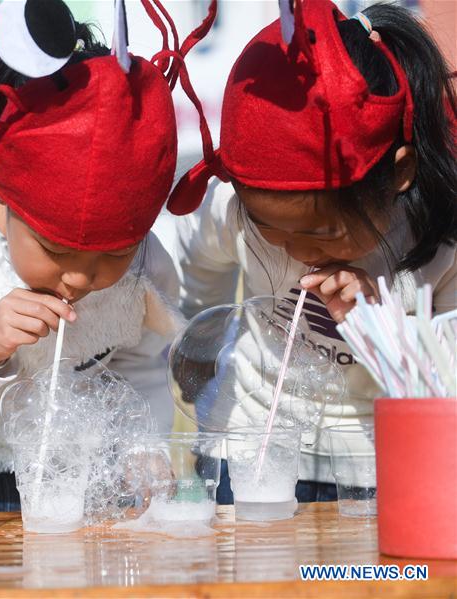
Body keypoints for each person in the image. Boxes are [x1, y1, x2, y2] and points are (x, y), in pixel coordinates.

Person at [0, 0, 218, 513]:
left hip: (70, 480)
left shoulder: (145, 263)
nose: (79, 278)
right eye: (54, 249)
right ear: (3, 201)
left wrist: (144, 446)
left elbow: (140, 370)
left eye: (112, 254)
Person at [167, 0, 457, 501]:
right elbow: (193, 252)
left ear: (400, 175)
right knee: (256, 578)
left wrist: (377, 324)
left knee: (354, 580)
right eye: (272, 231)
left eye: (321, 233)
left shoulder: (438, 245)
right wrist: (197, 343)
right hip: (248, 447)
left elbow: (443, 380)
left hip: (372, 466)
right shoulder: (235, 214)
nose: (298, 251)